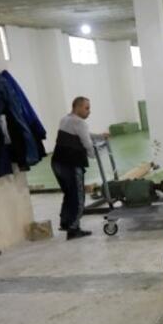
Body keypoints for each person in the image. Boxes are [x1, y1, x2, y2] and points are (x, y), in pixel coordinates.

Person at [50, 96, 107, 240]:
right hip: (71, 164)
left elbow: (84, 135)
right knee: (77, 196)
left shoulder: (65, 119)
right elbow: (87, 142)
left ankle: (65, 222)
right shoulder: (80, 122)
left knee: (69, 193)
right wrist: (94, 154)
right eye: (87, 108)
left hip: (57, 162)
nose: (89, 111)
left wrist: (100, 136)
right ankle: (73, 229)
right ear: (77, 107)